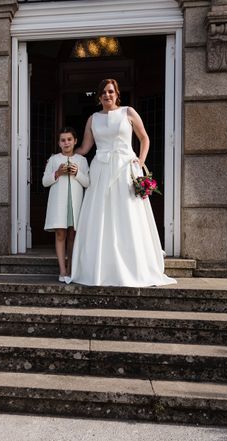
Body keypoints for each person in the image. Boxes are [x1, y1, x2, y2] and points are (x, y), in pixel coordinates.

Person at [67, 79, 176, 287]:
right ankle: (99, 267)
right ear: (98, 97)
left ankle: (133, 266)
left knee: (126, 214)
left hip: (125, 169)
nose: (107, 95)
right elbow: (85, 148)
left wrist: (140, 161)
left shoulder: (128, 112)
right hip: (100, 170)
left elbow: (144, 138)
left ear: (117, 94)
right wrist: (64, 156)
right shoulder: (93, 119)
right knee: (101, 216)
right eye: (103, 93)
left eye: (110, 92)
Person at [42, 127, 90, 282]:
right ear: (59, 143)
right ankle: (62, 270)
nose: (66, 142)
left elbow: (88, 183)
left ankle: (71, 269)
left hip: (75, 203)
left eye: (69, 139)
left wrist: (77, 173)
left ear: (75, 141)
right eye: (63, 140)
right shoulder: (54, 159)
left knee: (73, 235)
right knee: (60, 233)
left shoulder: (82, 161)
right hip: (59, 204)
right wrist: (57, 173)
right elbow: (44, 182)